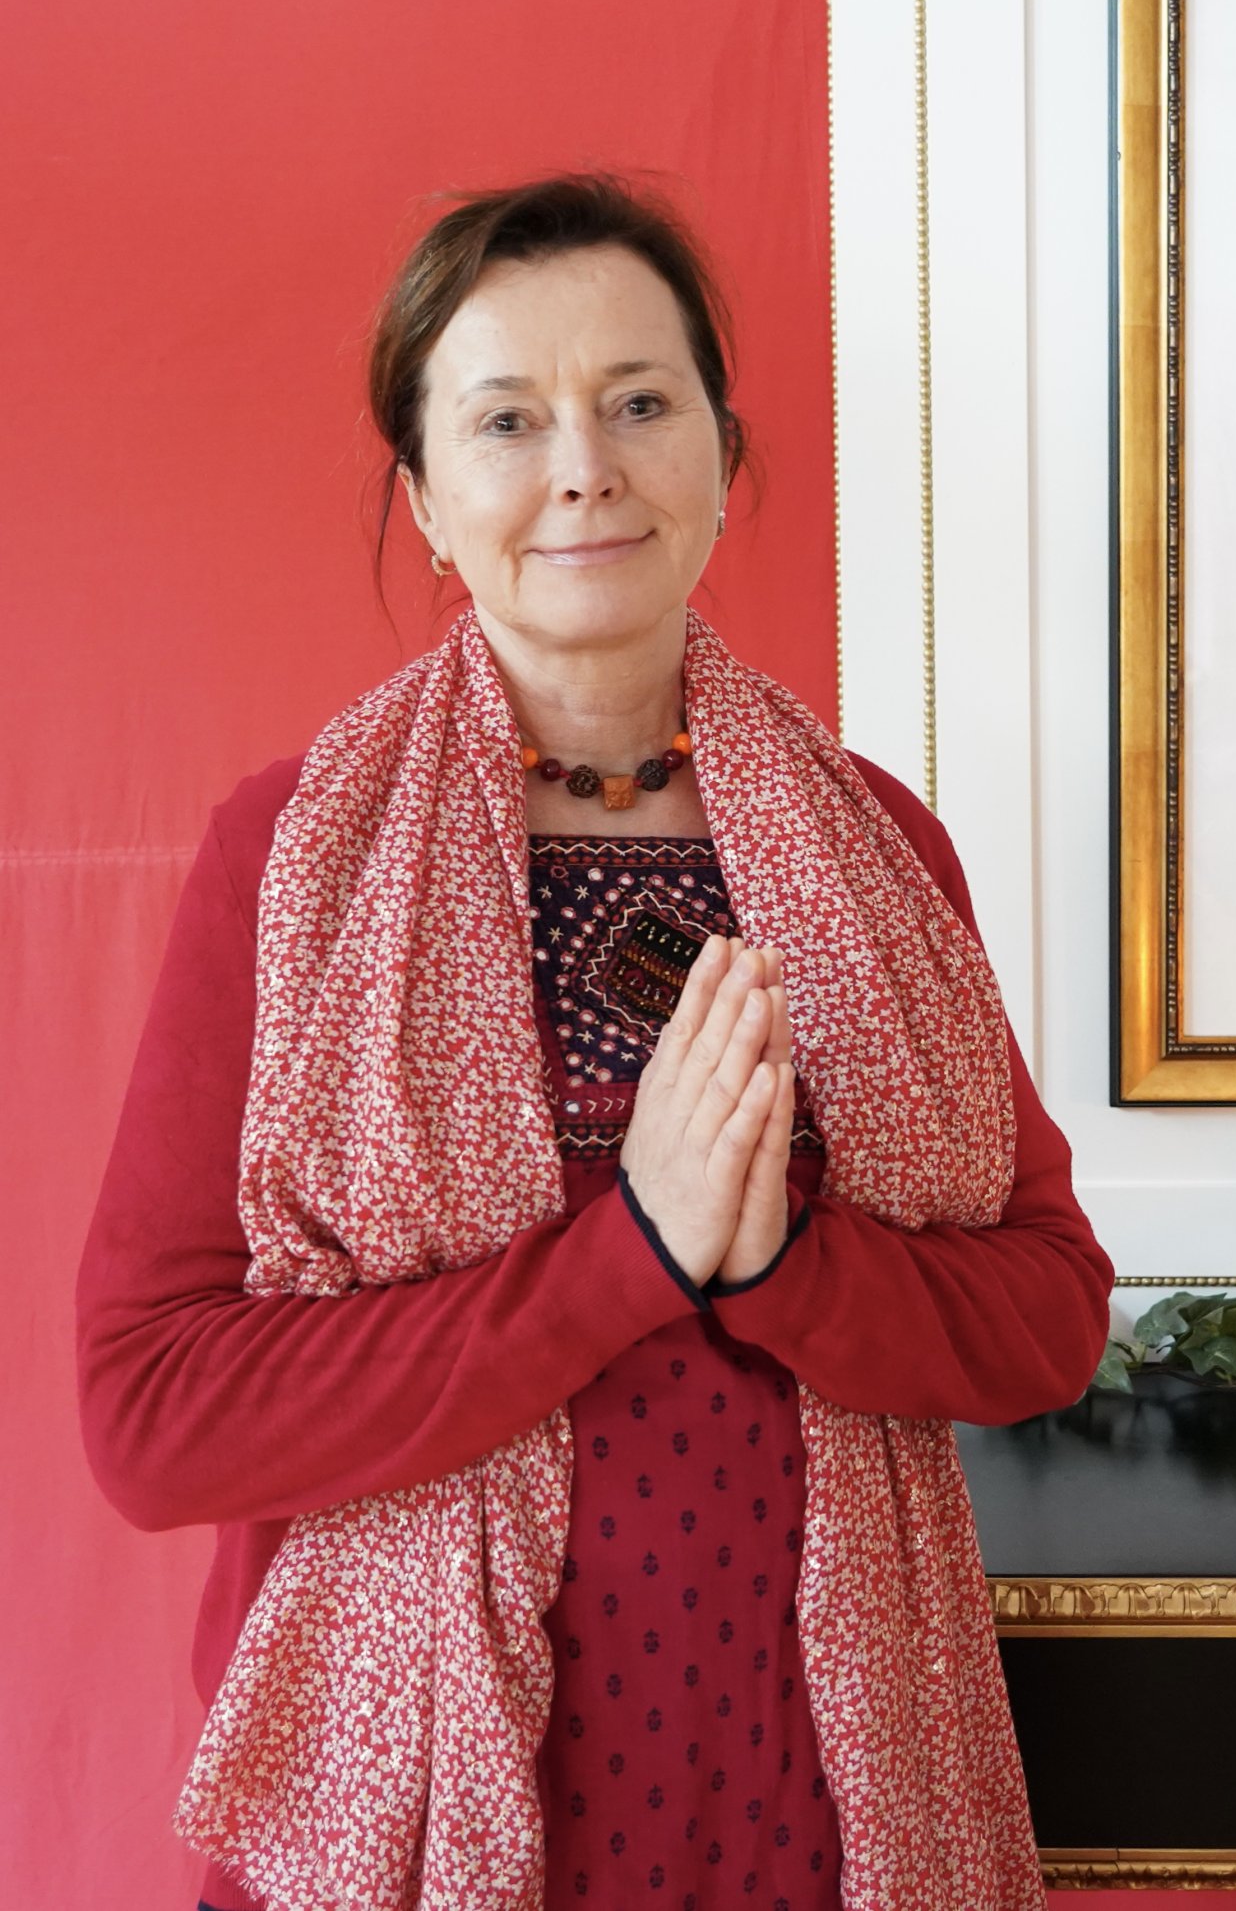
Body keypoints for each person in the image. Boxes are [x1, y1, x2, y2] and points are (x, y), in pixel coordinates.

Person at [74, 175, 1112, 1911]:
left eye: (640, 401)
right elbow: (154, 1409)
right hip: (419, 1808)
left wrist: (780, 1259)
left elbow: (1047, 1313)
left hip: (822, 1789)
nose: (585, 468)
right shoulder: (298, 859)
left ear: (723, 450)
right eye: (507, 419)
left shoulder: (876, 847)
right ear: (426, 495)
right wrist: (627, 1253)